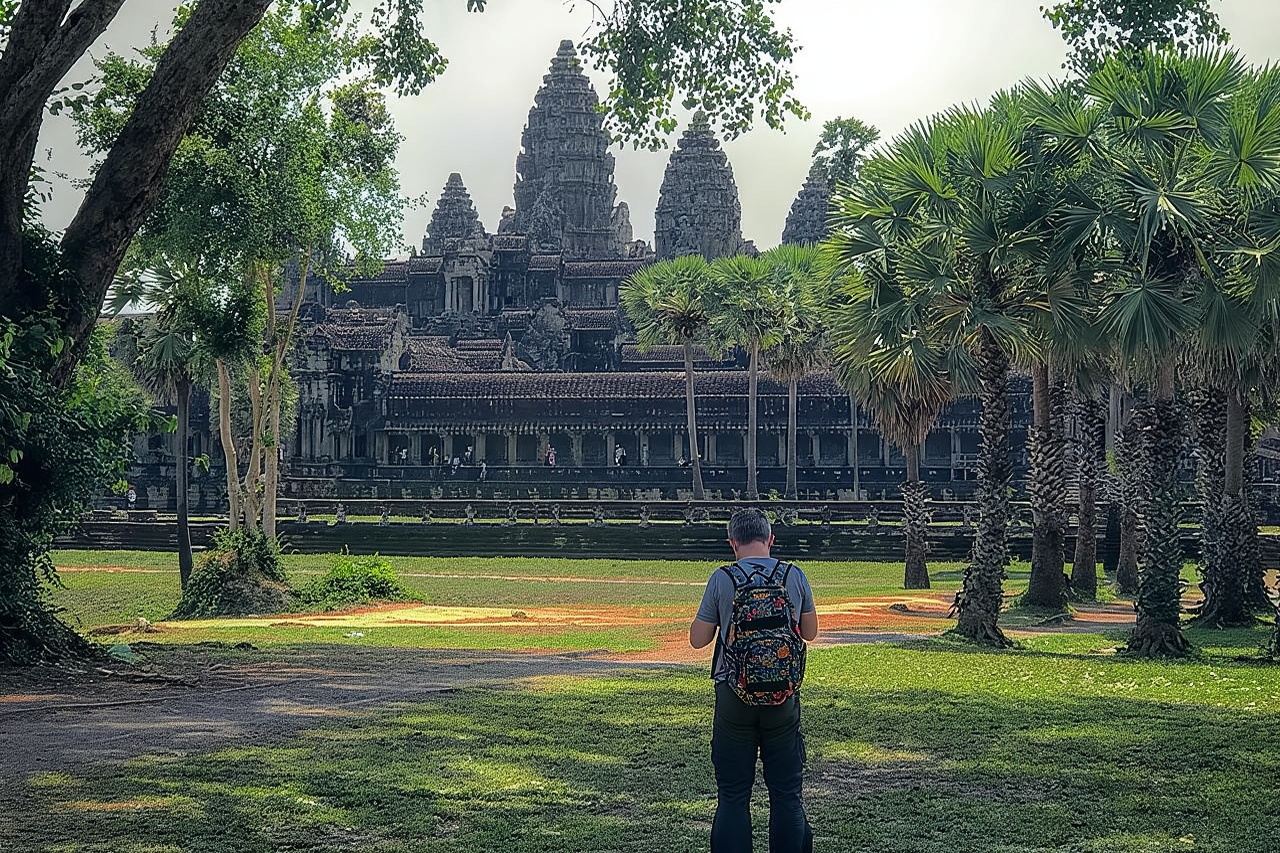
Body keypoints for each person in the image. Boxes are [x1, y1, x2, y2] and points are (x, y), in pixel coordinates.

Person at [690, 508, 817, 853]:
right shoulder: (794, 574)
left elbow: (698, 639)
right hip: (783, 697)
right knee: (787, 795)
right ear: (770, 539)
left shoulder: (722, 578)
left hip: (734, 695)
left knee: (732, 795)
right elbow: (810, 633)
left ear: (733, 543)